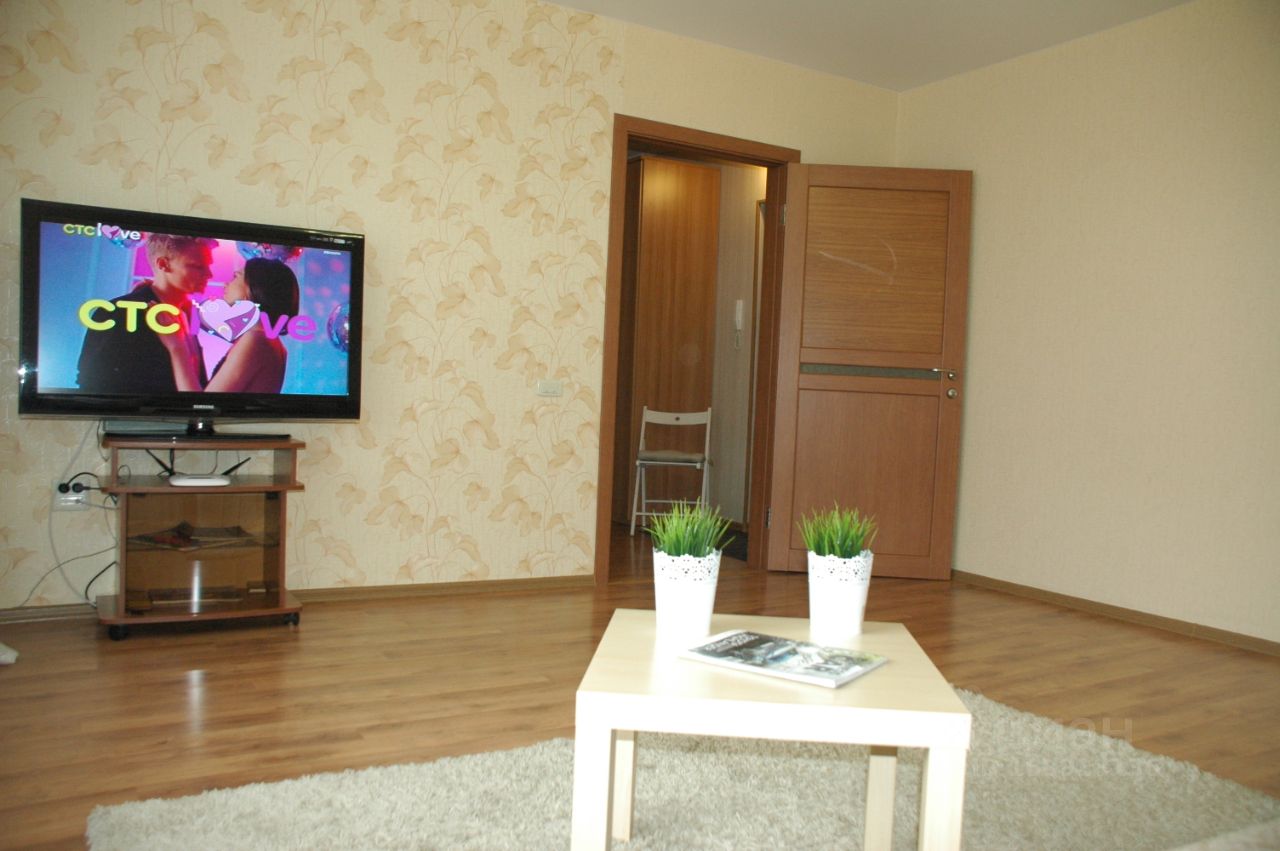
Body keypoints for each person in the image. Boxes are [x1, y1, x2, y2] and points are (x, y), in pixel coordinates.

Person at [76, 233, 213, 393]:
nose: (209, 274)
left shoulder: (189, 313)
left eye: (207, 266)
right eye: (197, 266)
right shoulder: (118, 312)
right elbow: (91, 382)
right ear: (163, 264)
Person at [165, 257, 298, 393]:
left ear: (252, 288)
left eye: (236, 277)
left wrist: (176, 347)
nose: (226, 284)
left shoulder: (256, 341)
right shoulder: (267, 340)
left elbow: (203, 402)